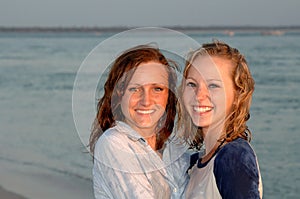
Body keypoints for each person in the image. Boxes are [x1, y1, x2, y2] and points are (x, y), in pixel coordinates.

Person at [89, 44, 189, 199]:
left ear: (169, 95)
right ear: (119, 94)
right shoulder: (114, 144)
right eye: (135, 89)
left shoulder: (173, 146)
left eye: (157, 89)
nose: (146, 101)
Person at [178, 41, 263, 199]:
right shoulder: (195, 164)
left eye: (213, 86)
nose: (199, 95)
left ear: (238, 94)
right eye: (192, 84)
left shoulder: (233, 157)